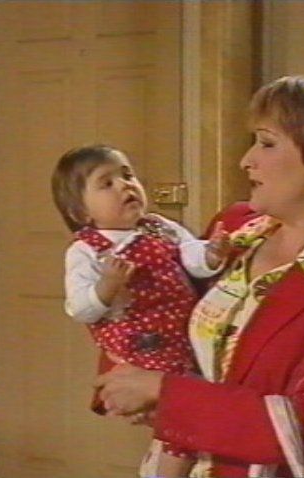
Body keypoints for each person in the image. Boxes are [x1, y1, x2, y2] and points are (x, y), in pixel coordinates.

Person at [95, 67, 304, 478]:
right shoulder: (234, 228)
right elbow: (158, 310)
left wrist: (162, 392)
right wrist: (125, 377)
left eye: (266, 143)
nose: (246, 161)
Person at [51, 145, 229, 478]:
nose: (125, 186)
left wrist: (212, 255)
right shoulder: (87, 250)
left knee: (188, 408)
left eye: (127, 175)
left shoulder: (160, 226)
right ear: (80, 211)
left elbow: (191, 255)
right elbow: (81, 308)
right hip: (142, 345)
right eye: (107, 183)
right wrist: (107, 287)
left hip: (184, 334)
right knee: (181, 414)